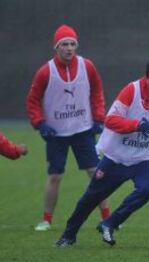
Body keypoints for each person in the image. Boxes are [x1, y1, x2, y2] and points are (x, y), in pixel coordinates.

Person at [55, 55, 149, 247]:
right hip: (116, 157)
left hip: (145, 159)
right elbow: (111, 120)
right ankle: (68, 235)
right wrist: (137, 125)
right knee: (90, 198)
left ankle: (109, 223)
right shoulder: (132, 90)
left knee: (148, 188)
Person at [26, 24, 110, 231]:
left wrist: (99, 118)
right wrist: (40, 123)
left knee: (95, 172)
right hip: (56, 133)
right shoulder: (45, 71)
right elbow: (33, 100)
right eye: (64, 44)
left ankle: (108, 217)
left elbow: (97, 91)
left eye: (73, 44)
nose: (69, 48)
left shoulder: (87, 66)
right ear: (56, 47)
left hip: (83, 130)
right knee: (55, 176)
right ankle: (46, 220)